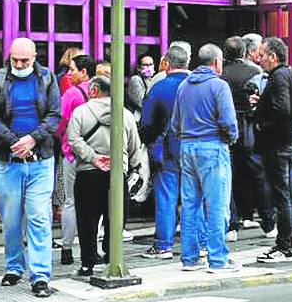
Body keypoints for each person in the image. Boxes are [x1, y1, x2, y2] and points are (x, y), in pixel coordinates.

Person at [0, 37, 61, 298]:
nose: (19, 64)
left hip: (40, 159)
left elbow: (54, 115)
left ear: (34, 57)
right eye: (15, 60)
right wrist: (14, 141)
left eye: (24, 61)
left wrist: (32, 139)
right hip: (9, 160)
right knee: (11, 219)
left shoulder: (47, 79)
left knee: (39, 218)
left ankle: (40, 275)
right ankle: (14, 266)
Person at [171, 43, 239, 273]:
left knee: (190, 205)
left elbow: (174, 124)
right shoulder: (219, 86)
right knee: (217, 205)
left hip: (187, 147)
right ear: (217, 62)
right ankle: (218, 259)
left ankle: (190, 258)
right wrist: (231, 138)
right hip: (213, 147)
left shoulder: (183, 86)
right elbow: (229, 122)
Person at [67, 76, 140, 277]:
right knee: (114, 219)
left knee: (87, 220)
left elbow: (72, 140)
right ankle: (112, 256)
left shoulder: (80, 112)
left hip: (87, 174)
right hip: (117, 175)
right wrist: (131, 165)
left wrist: (93, 157)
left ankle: (88, 263)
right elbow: (134, 145)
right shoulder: (125, 115)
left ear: (94, 90)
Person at [251, 37, 292, 264]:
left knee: (281, 195)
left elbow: (282, 107)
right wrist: (262, 101)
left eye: (262, 55)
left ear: (273, 56)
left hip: (277, 144)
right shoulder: (290, 75)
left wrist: (263, 122)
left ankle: (285, 244)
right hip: (286, 142)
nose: (259, 59)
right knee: (286, 194)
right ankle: (288, 242)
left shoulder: (279, 77)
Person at [138, 45, 190, 259]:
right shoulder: (197, 84)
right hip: (194, 150)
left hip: (166, 149)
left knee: (166, 198)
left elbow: (147, 123)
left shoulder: (159, 87)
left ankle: (163, 245)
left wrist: (146, 142)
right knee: (193, 199)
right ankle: (197, 244)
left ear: (166, 64)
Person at [221, 37, 270, 239]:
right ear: (244, 52)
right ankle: (269, 221)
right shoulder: (255, 72)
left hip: (226, 129)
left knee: (227, 177)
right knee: (258, 176)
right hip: (249, 127)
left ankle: (231, 223)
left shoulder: (220, 75)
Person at [55, 53, 96, 266]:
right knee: (95, 204)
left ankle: (67, 248)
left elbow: (60, 122)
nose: (69, 74)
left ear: (84, 72)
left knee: (70, 202)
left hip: (72, 152)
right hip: (98, 154)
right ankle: (93, 248)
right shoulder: (102, 91)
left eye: (72, 70)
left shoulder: (71, 93)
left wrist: (61, 139)